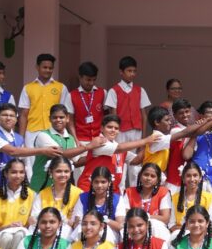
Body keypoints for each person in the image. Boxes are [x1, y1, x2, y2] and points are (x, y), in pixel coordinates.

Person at [0, 103, 61, 218]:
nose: (8, 118)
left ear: (16, 119)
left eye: (12, 115)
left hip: (8, 187)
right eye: (4, 115)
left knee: (5, 220)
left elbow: (23, 161)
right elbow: (13, 151)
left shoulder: (19, 138)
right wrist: (42, 150)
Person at [77, 114, 160, 193]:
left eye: (116, 128)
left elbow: (136, 160)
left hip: (111, 191)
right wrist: (146, 140)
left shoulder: (118, 146)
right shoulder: (99, 142)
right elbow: (119, 148)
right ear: (102, 128)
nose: (113, 130)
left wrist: (149, 146)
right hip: (89, 188)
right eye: (109, 127)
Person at [30, 104, 104, 192]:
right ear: (50, 119)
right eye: (55, 117)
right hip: (41, 185)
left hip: (61, 188)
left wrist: (97, 154)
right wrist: (89, 146)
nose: (58, 120)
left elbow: (76, 162)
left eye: (61, 117)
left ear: (67, 118)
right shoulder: (43, 135)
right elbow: (61, 154)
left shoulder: (70, 138)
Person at [18, 53, 69, 178]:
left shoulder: (61, 88)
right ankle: (33, 189)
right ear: (37, 67)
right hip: (32, 131)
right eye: (44, 67)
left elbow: (64, 113)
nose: (47, 70)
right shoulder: (28, 88)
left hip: (53, 132)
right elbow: (23, 114)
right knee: (31, 165)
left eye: (50, 68)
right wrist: (21, 138)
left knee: (55, 163)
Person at [104, 56, 152, 184]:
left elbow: (144, 115)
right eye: (129, 71)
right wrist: (114, 135)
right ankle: (120, 191)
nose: (132, 74)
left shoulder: (140, 90)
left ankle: (134, 192)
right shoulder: (114, 91)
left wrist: (143, 139)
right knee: (120, 165)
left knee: (135, 168)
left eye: (134, 71)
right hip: (120, 132)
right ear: (121, 72)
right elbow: (113, 115)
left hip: (136, 131)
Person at [141, 105, 209, 187]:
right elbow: (184, 133)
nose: (170, 123)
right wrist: (208, 120)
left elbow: (139, 158)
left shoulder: (159, 137)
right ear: (157, 122)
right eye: (167, 120)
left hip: (158, 178)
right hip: (152, 179)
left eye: (187, 111)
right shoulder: (158, 138)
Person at [65, 62, 106, 181]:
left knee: (100, 173)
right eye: (88, 80)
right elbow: (70, 120)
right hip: (81, 140)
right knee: (81, 175)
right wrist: (75, 139)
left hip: (99, 138)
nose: (91, 83)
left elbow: (106, 117)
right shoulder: (71, 95)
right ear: (80, 77)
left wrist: (104, 135)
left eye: (94, 80)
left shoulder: (102, 92)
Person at [0, 159, 34, 249]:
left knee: (19, 235)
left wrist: (22, 227)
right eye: (14, 172)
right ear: (6, 173)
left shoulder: (31, 195)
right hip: (2, 233)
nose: (18, 176)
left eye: (21, 172)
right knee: (7, 237)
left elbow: (30, 223)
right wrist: (7, 227)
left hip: (22, 232)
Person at [71, 166, 127, 244]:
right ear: (91, 182)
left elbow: (120, 226)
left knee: (106, 232)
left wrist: (104, 220)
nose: (99, 185)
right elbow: (76, 223)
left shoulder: (117, 199)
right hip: (87, 232)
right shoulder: (83, 198)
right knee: (79, 230)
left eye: (103, 182)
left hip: (109, 234)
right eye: (96, 182)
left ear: (109, 183)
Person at [30, 156, 83, 238]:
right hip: (44, 230)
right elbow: (33, 217)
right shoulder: (43, 194)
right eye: (58, 171)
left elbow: (76, 222)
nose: (63, 174)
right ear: (51, 172)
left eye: (66, 171)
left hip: (67, 233)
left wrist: (66, 222)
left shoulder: (78, 194)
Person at [183, 101, 212, 194]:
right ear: (201, 115)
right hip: (198, 181)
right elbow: (186, 156)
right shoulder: (194, 134)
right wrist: (197, 131)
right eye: (209, 113)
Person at [170, 161, 212, 239]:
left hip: (202, 236)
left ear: (200, 178)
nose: (192, 179)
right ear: (183, 178)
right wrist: (188, 230)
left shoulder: (208, 198)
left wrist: (192, 229)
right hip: (180, 236)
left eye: (195, 175)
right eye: (188, 176)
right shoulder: (175, 198)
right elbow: (171, 224)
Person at [124, 163, 172, 241]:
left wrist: (145, 217)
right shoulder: (129, 192)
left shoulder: (163, 192)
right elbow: (125, 215)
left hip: (156, 230)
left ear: (157, 180)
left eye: (152, 176)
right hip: (134, 228)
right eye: (146, 175)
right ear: (140, 176)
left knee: (155, 224)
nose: (148, 178)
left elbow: (165, 218)